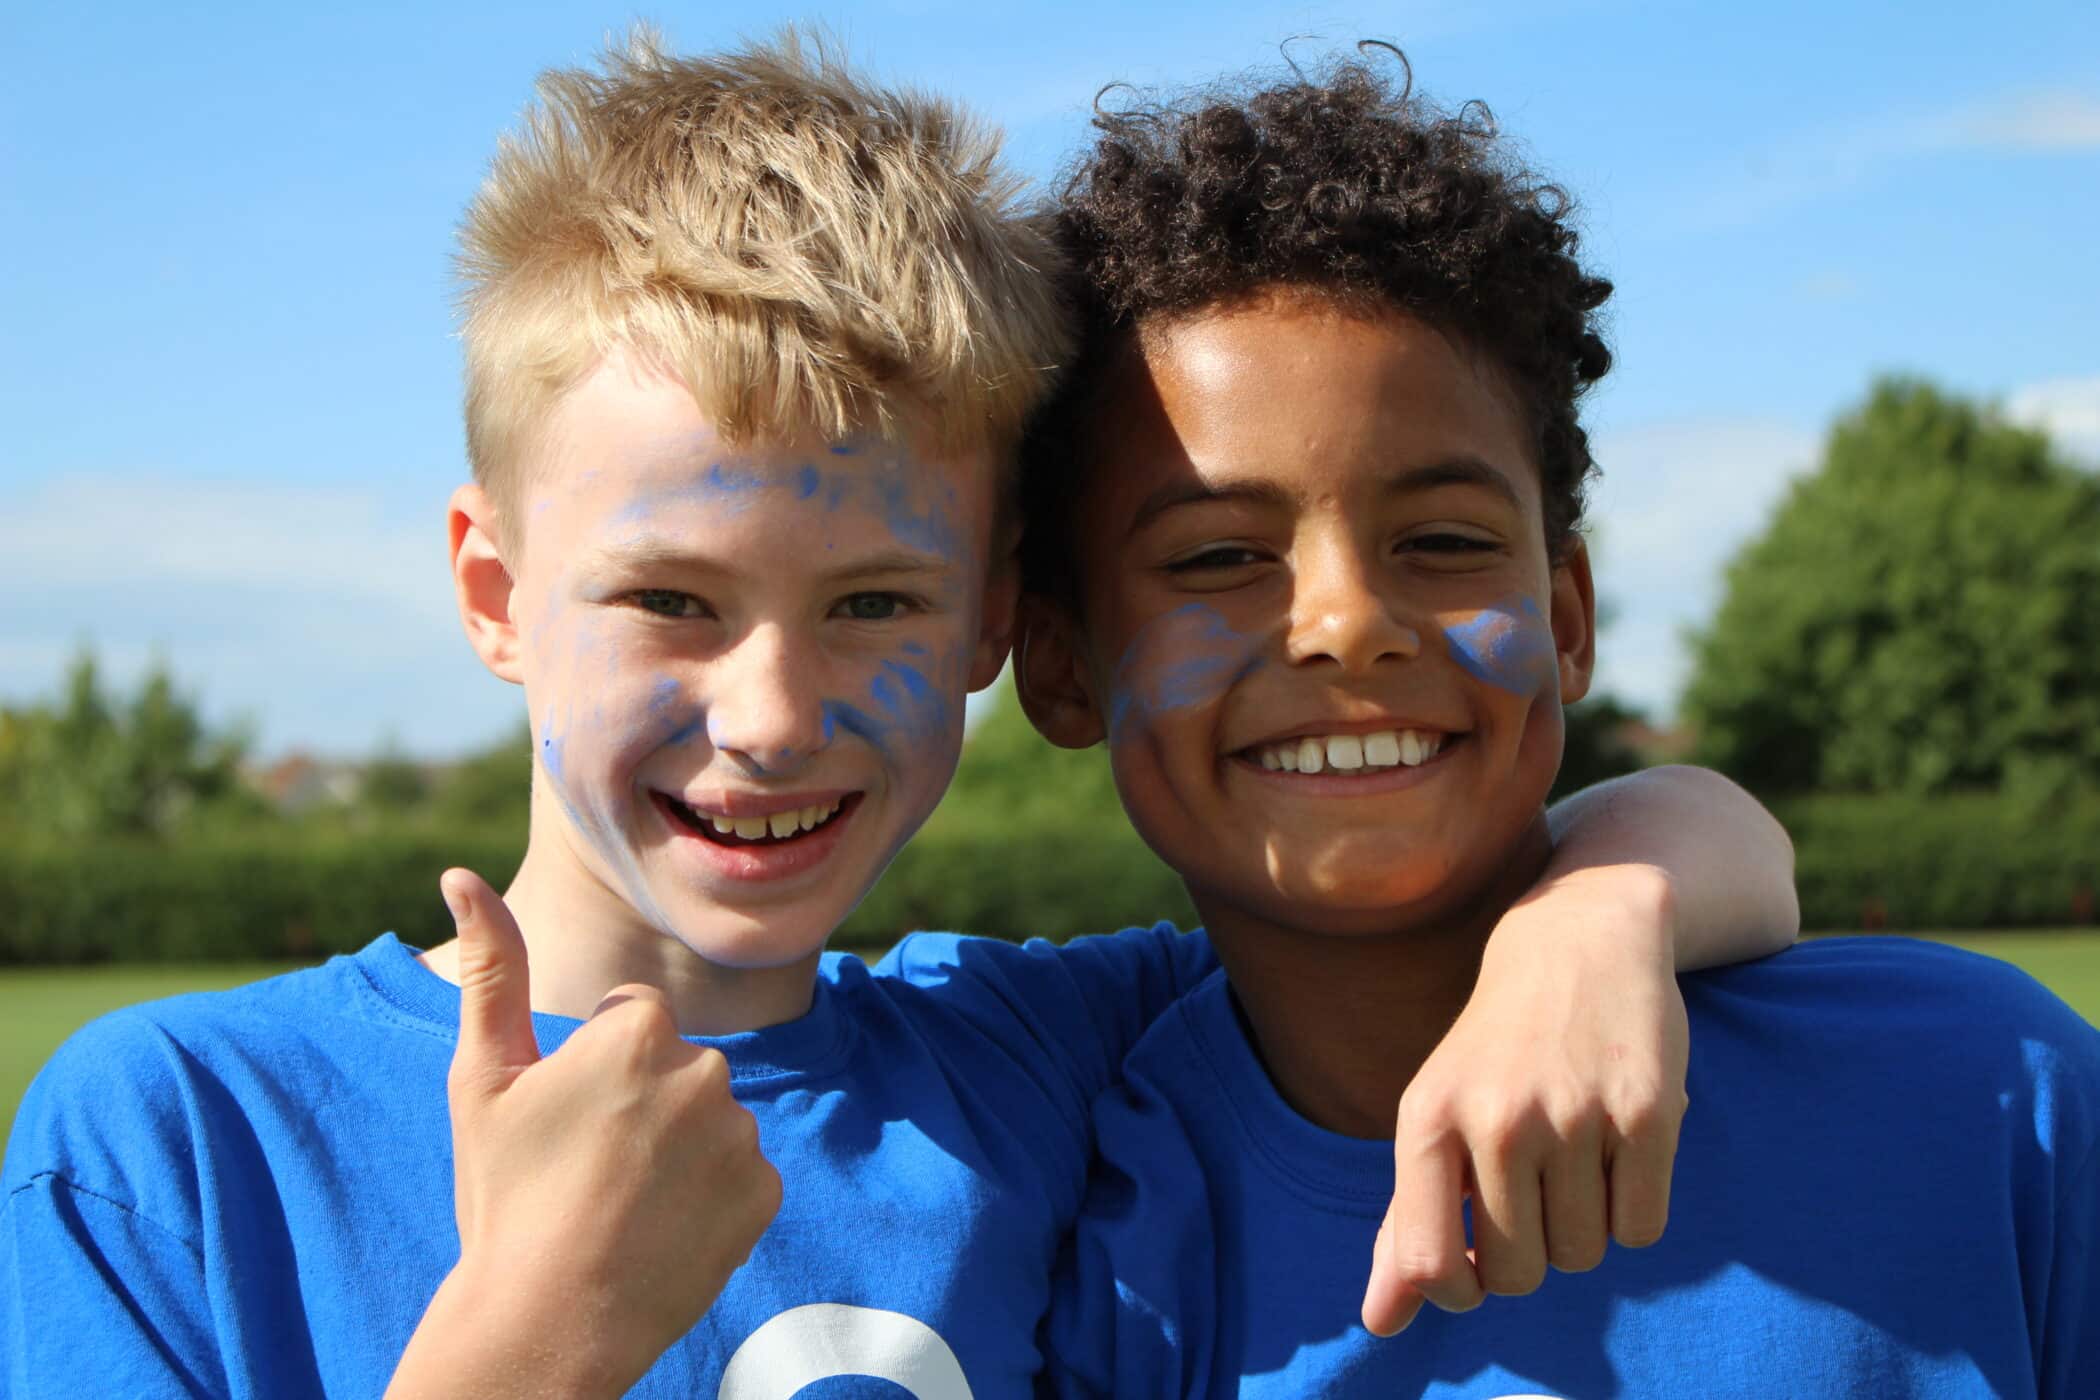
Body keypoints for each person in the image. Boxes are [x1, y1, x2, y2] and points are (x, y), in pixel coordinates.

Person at [3, 33, 1796, 1399]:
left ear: (993, 624)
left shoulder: (1042, 1059)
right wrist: (526, 1340)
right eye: (671, 602)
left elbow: (1699, 845)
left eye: (872, 604)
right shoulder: (180, 1136)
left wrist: (1596, 921)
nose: (773, 715)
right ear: (494, 596)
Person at [1016, 50, 2100, 1397]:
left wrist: (1601, 915)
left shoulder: (1988, 1095)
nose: (1349, 622)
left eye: (1446, 538)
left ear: (1569, 616)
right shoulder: (1055, 1221)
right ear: (1055, 666)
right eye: (1218, 559)